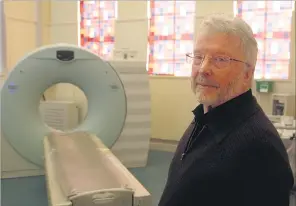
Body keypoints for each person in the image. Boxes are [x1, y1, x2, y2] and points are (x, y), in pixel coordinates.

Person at [158, 13, 294, 206]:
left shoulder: (260, 148)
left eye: (220, 59)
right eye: (198, 57)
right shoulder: (205, 116)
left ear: (247, 73)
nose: (203, 68)